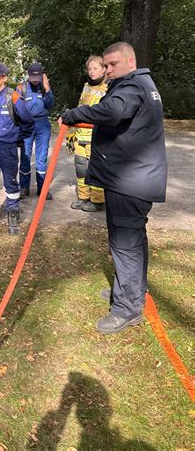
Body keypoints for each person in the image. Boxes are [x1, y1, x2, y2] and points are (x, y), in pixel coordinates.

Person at [60, 42, 167, 335]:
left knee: (125, 245)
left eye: (113, 65)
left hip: (129, 182)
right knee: (133, 240)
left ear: (130, 61)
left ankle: (127, 309)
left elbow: (114, 111)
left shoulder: (131, 87)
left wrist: (74, 114)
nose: (108, 71)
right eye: (105, 66)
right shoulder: (143, 83)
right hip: (136, 178)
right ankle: (132, 291)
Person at [0, 63, 34, 235]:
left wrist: (17, 138)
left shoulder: (14, 97)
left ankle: (13, 215)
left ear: (4, 77)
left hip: (8, 148)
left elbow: (27, 121)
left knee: (11, 183)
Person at [68, 56, 107, 212]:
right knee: (80, 168)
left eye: (95, 68)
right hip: (80, 135)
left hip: (96, 135)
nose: (91, 72)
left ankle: (98, 200)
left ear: (104, 69)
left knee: (95, 168)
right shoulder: (86, 86)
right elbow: (80, 106)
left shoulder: (108, 88)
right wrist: (71, 133)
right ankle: (83, 197)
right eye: (89, 69)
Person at [17, 62, 55, 200]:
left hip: (42, 125)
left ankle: (42, 188)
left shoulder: (44, 87)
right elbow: (15, 108)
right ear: (28, 75)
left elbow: (50, 104)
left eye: (37, 78)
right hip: (26, 125)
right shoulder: (21, 88)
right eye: (33, 78)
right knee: (25, 156)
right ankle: (24, 187)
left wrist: (47, 88)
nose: (35, 81)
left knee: (42, 157)